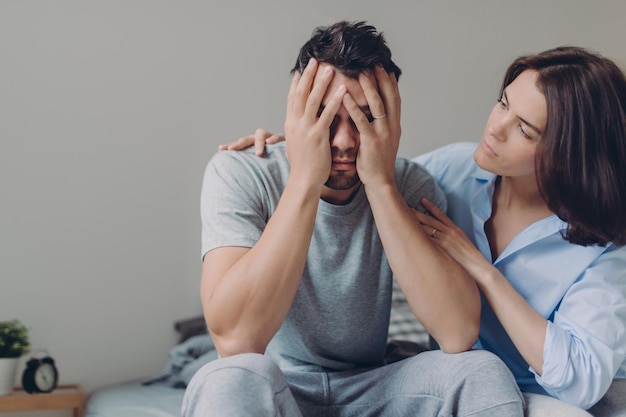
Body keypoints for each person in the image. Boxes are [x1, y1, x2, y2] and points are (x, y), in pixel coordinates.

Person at [228, 46, 626, 415]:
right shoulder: (453, 170)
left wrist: (483, 272)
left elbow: (581, 381)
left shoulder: (604, 248)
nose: (495, 128)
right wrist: (297, 151)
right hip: (457, 379)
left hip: (547, 394)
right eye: (503, 103)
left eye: (523, 129)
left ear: (567, 154)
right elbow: (370, 176)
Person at [182, 21, 525, 417]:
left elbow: (457, 332)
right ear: (297, 115)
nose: (345, 142)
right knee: (226, 377)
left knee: (480, 370)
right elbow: (237, 341)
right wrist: (304, 179)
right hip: (279, 389)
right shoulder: (240, 173)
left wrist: (380, 184)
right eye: (328, 119)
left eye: (364, 118)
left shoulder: (409, 185)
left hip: (374, 385)